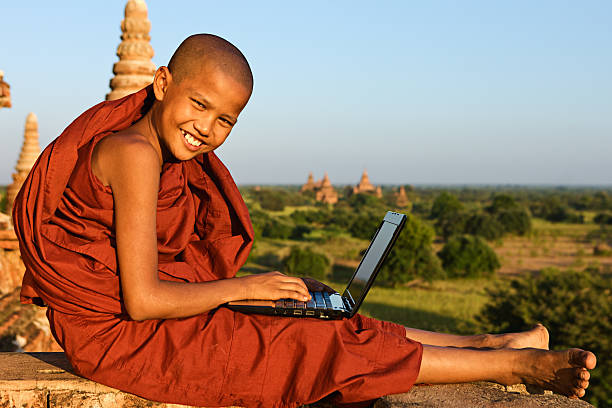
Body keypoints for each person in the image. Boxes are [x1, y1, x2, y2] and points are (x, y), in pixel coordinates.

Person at [13, 34, 596, 408]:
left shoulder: (154, 147)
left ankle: (487, 343)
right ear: (162, 83)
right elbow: (141, 299)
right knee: (307, 338)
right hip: (120, 335)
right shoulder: (137, 153)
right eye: (198, 104)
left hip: (142, 312)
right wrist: (248, 287)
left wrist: (257, 291)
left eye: (226, 120)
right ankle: (520, 364)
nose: (207, 129)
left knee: (314, 308)